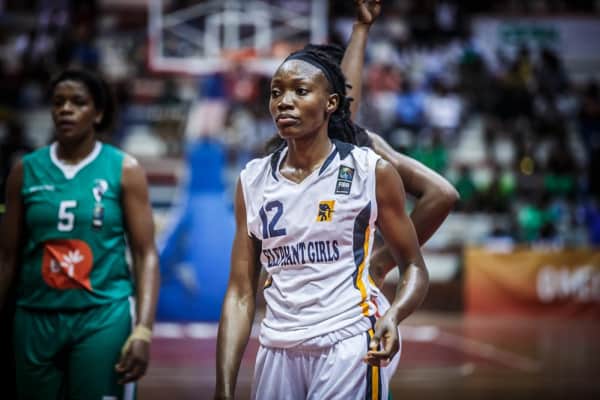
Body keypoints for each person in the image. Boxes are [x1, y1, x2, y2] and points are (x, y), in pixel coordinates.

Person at [215, 40, 429, 400]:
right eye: (276, 92)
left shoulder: (369, 170)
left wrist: (393, 315)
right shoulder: (251, 180)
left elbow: (414, 266)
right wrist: (223, 389)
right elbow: (239, 294)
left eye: (300, 91)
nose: (284, 101)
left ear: (331, 103)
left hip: (348, 341)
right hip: (277, 346)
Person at [0, 69, 160, 400]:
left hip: (101, 317)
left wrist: (143, 330)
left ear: (97, 113)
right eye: (58, 102)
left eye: (77, 102)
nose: (66, 109)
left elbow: (145, 254)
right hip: (35, 317)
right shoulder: (24, 170)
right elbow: (7, 257)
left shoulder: (124, 169)